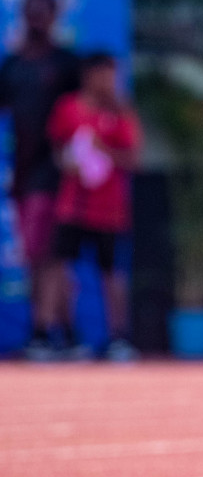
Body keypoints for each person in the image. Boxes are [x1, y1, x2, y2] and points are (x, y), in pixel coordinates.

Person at [43, 52, 141, 360]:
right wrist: (68, 162)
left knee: (112, 272)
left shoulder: (121, 111)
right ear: (89, 75)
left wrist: (104, 151)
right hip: (72, 207)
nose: (111, 82)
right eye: (105, 75)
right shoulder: (68, 109)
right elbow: (57, 151)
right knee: (59, 267)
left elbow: (133, 159)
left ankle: (117, 337)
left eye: (114, 75)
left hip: (109, 210)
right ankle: (59, 333)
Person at [2, 0, 81, 359]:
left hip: (56, 176)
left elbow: (86, 114)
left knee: (51, 254)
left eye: (44, 10)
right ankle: (66, 331)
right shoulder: (13, 65)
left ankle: (41, 330)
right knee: (39, 256)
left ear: (54, 14)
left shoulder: (67, 64)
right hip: (23, 173)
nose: (37, 17)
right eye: (30, 10)